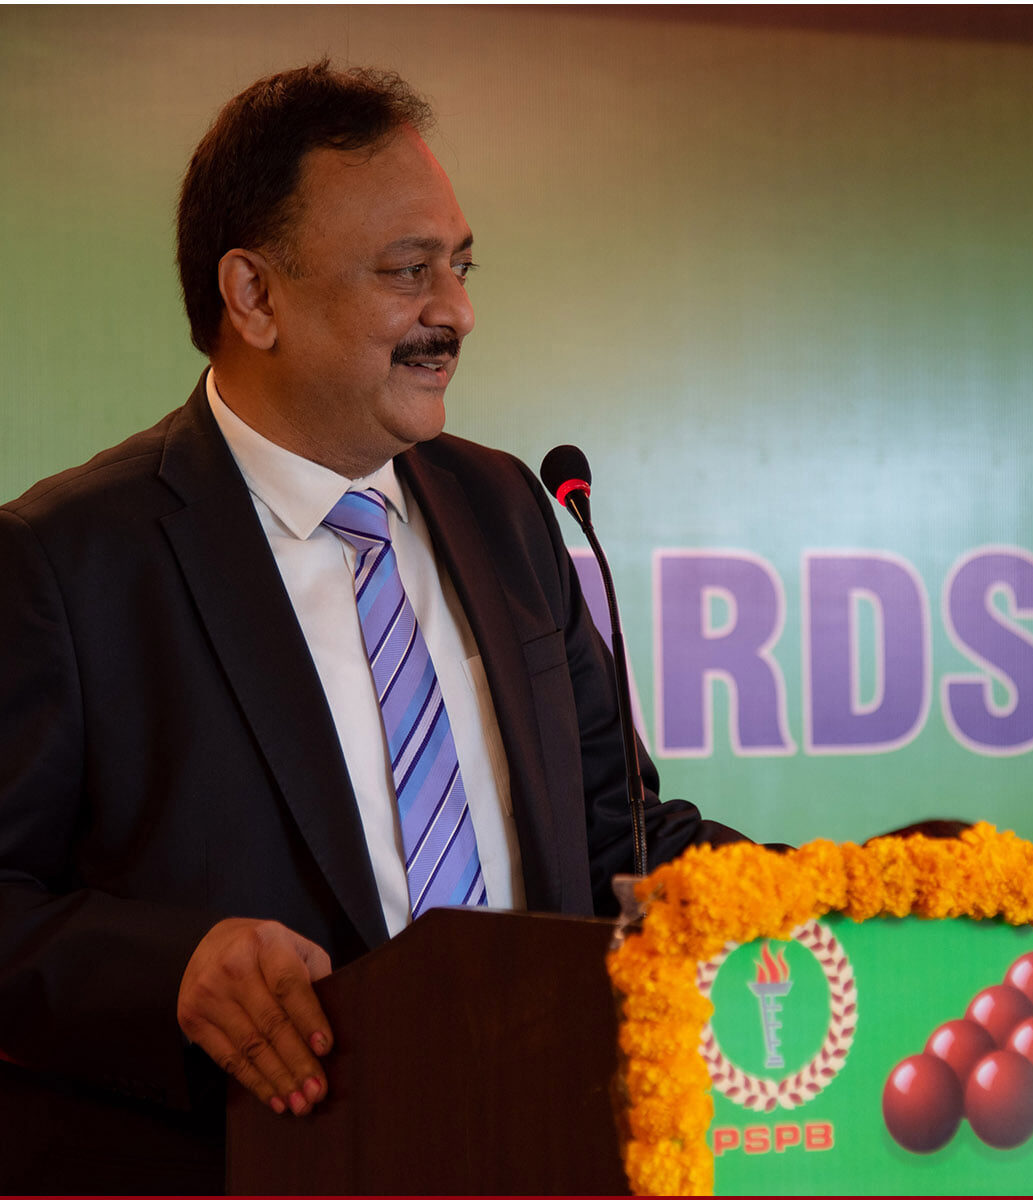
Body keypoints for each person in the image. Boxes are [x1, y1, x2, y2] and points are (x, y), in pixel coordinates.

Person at [0, 62, 747, 1192]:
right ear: (254, 297)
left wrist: (852, 897)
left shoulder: (507, 509)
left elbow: (618, 835)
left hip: (544, 1147)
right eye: (409, 271)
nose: (457, 313)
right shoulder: (65, 561)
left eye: (461, 265)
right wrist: (174, 971)